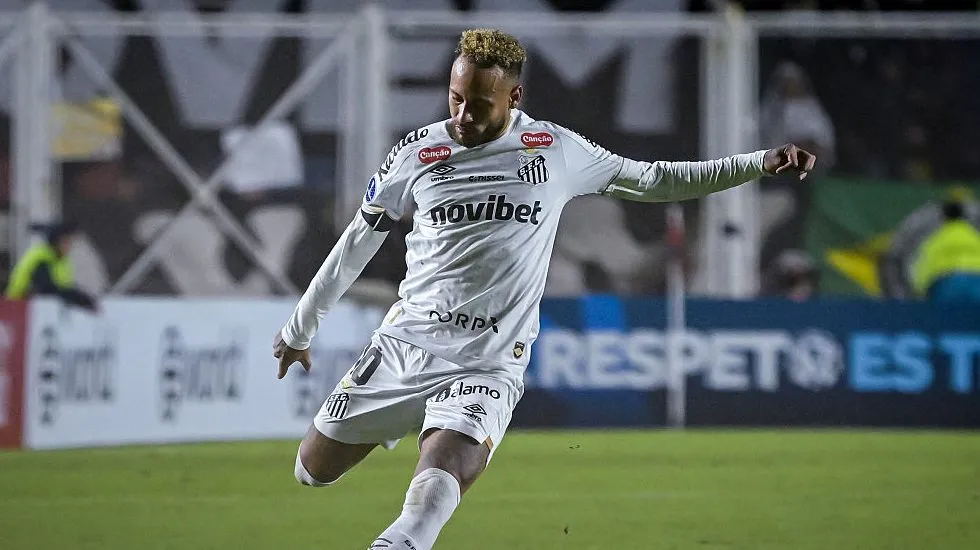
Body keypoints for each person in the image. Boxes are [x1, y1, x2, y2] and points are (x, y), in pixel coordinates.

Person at [274, 29, 816, 550]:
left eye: (479, 104)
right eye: (455, 98)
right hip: (404, 345)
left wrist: (757, 163)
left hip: (486, 362)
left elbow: (655, 179)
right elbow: (356, 241)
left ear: (514, 96)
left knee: (434, 490)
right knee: (311, 471)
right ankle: (405, 424)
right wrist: (301, 327)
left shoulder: (554, 149)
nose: (462, 115)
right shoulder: (418, 151)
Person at [5, 221, 99, 312]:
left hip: (37, 311)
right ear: (56, 242)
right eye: (66, 241)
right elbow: (48, 290)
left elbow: (64, 286)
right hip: (18, 311)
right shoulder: (40, 259)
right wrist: (79, 299)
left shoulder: (60, 261)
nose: (70, 246)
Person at [912, 200, 980, 304]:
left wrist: (921, 291)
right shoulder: (975, 237)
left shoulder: (936, 239)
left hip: (946, 283)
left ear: (943, 217)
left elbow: (922, 267)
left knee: (945, 318)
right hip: (977, 281)